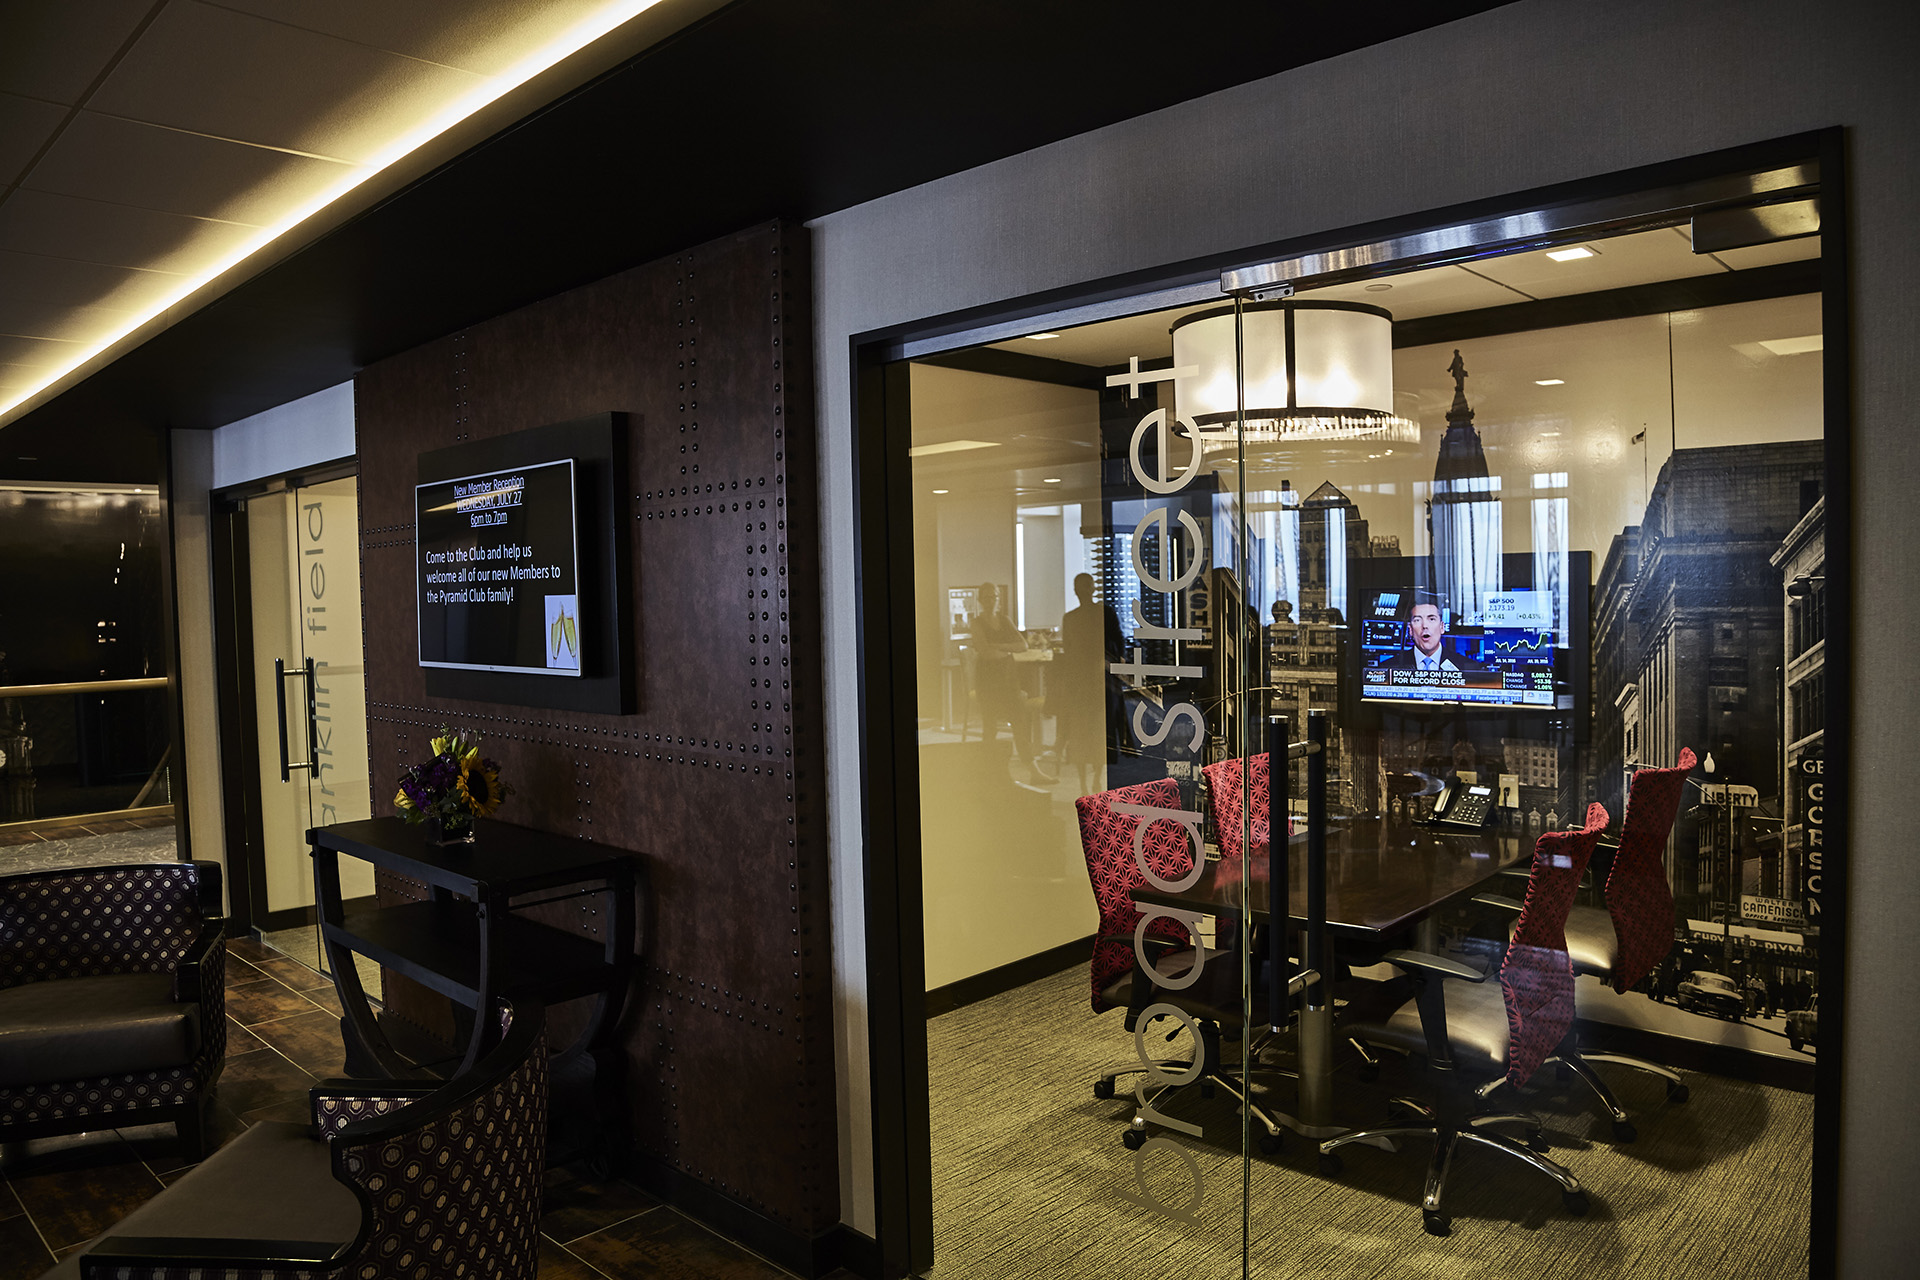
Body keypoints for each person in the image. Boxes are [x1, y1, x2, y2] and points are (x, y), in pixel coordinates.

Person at [970, 582, 1049, 782]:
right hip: (988, 683)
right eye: (987, 597)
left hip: (1008, 680)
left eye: (994, 596)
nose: (991, 601)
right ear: (980, 600)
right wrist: (1006, 650)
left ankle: (1034, 772)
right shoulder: (977, 623)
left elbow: (1022, 645)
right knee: (990, 728)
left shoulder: (1004, 620)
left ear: (998, 599)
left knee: (1019, 723)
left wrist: (998, 646)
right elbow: (986, 653)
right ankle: (986, 772)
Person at [1059, 573, 1124, 793]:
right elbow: (1119, 643)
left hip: (1081, 682)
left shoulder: (1070, 618)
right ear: (1093, 588)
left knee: (1081, 732)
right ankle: (1095, 777)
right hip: (1100, 680)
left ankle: (1084, 782)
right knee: (1099, 731)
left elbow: (1068, 651)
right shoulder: (1105, 613)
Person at [1377, 595, 1491, 673]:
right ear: (1410, 630)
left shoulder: (1468, 667)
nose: (1424, 626)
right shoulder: (1388, 668)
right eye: (1417, 620)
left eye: (1431, 619)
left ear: (1442, 627)